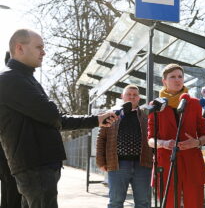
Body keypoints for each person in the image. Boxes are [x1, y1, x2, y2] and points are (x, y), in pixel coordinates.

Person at [0, 29, 117, 208]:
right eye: (39, 47)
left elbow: (56, 119)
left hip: (41, 166)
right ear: (19, 48)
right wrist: (52, 106)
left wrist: (96, 119)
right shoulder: (10, 80)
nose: (43, 52)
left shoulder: (25, 78)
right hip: (34, 166)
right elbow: (52, 115)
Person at [147, 64, 205, 208]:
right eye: (172, 77)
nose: (177, 80)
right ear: (164, 81)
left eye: (180, 76)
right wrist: (164, 143)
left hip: (191, 161)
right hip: (166, 162)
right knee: (168, 203)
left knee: (194, 203)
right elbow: (150, 140)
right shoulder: (155, 105)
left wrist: (197, 142)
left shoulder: (194, 103)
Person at [96, 84, 153, 208]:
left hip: (142, 165)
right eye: (129, 94)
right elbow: (101, 139)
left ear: (139, 98)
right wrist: (101, 161)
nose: (132, 97)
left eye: (135, 95)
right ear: (122, 96)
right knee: (115, 203)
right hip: (118, 164)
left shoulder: (146, 116)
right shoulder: (111, 114)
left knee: (143, 203)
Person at [0, 51, 21, 208]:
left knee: (8, 187)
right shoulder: (12, 83)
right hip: (9, 148)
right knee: (12, 188)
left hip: (6, 148)